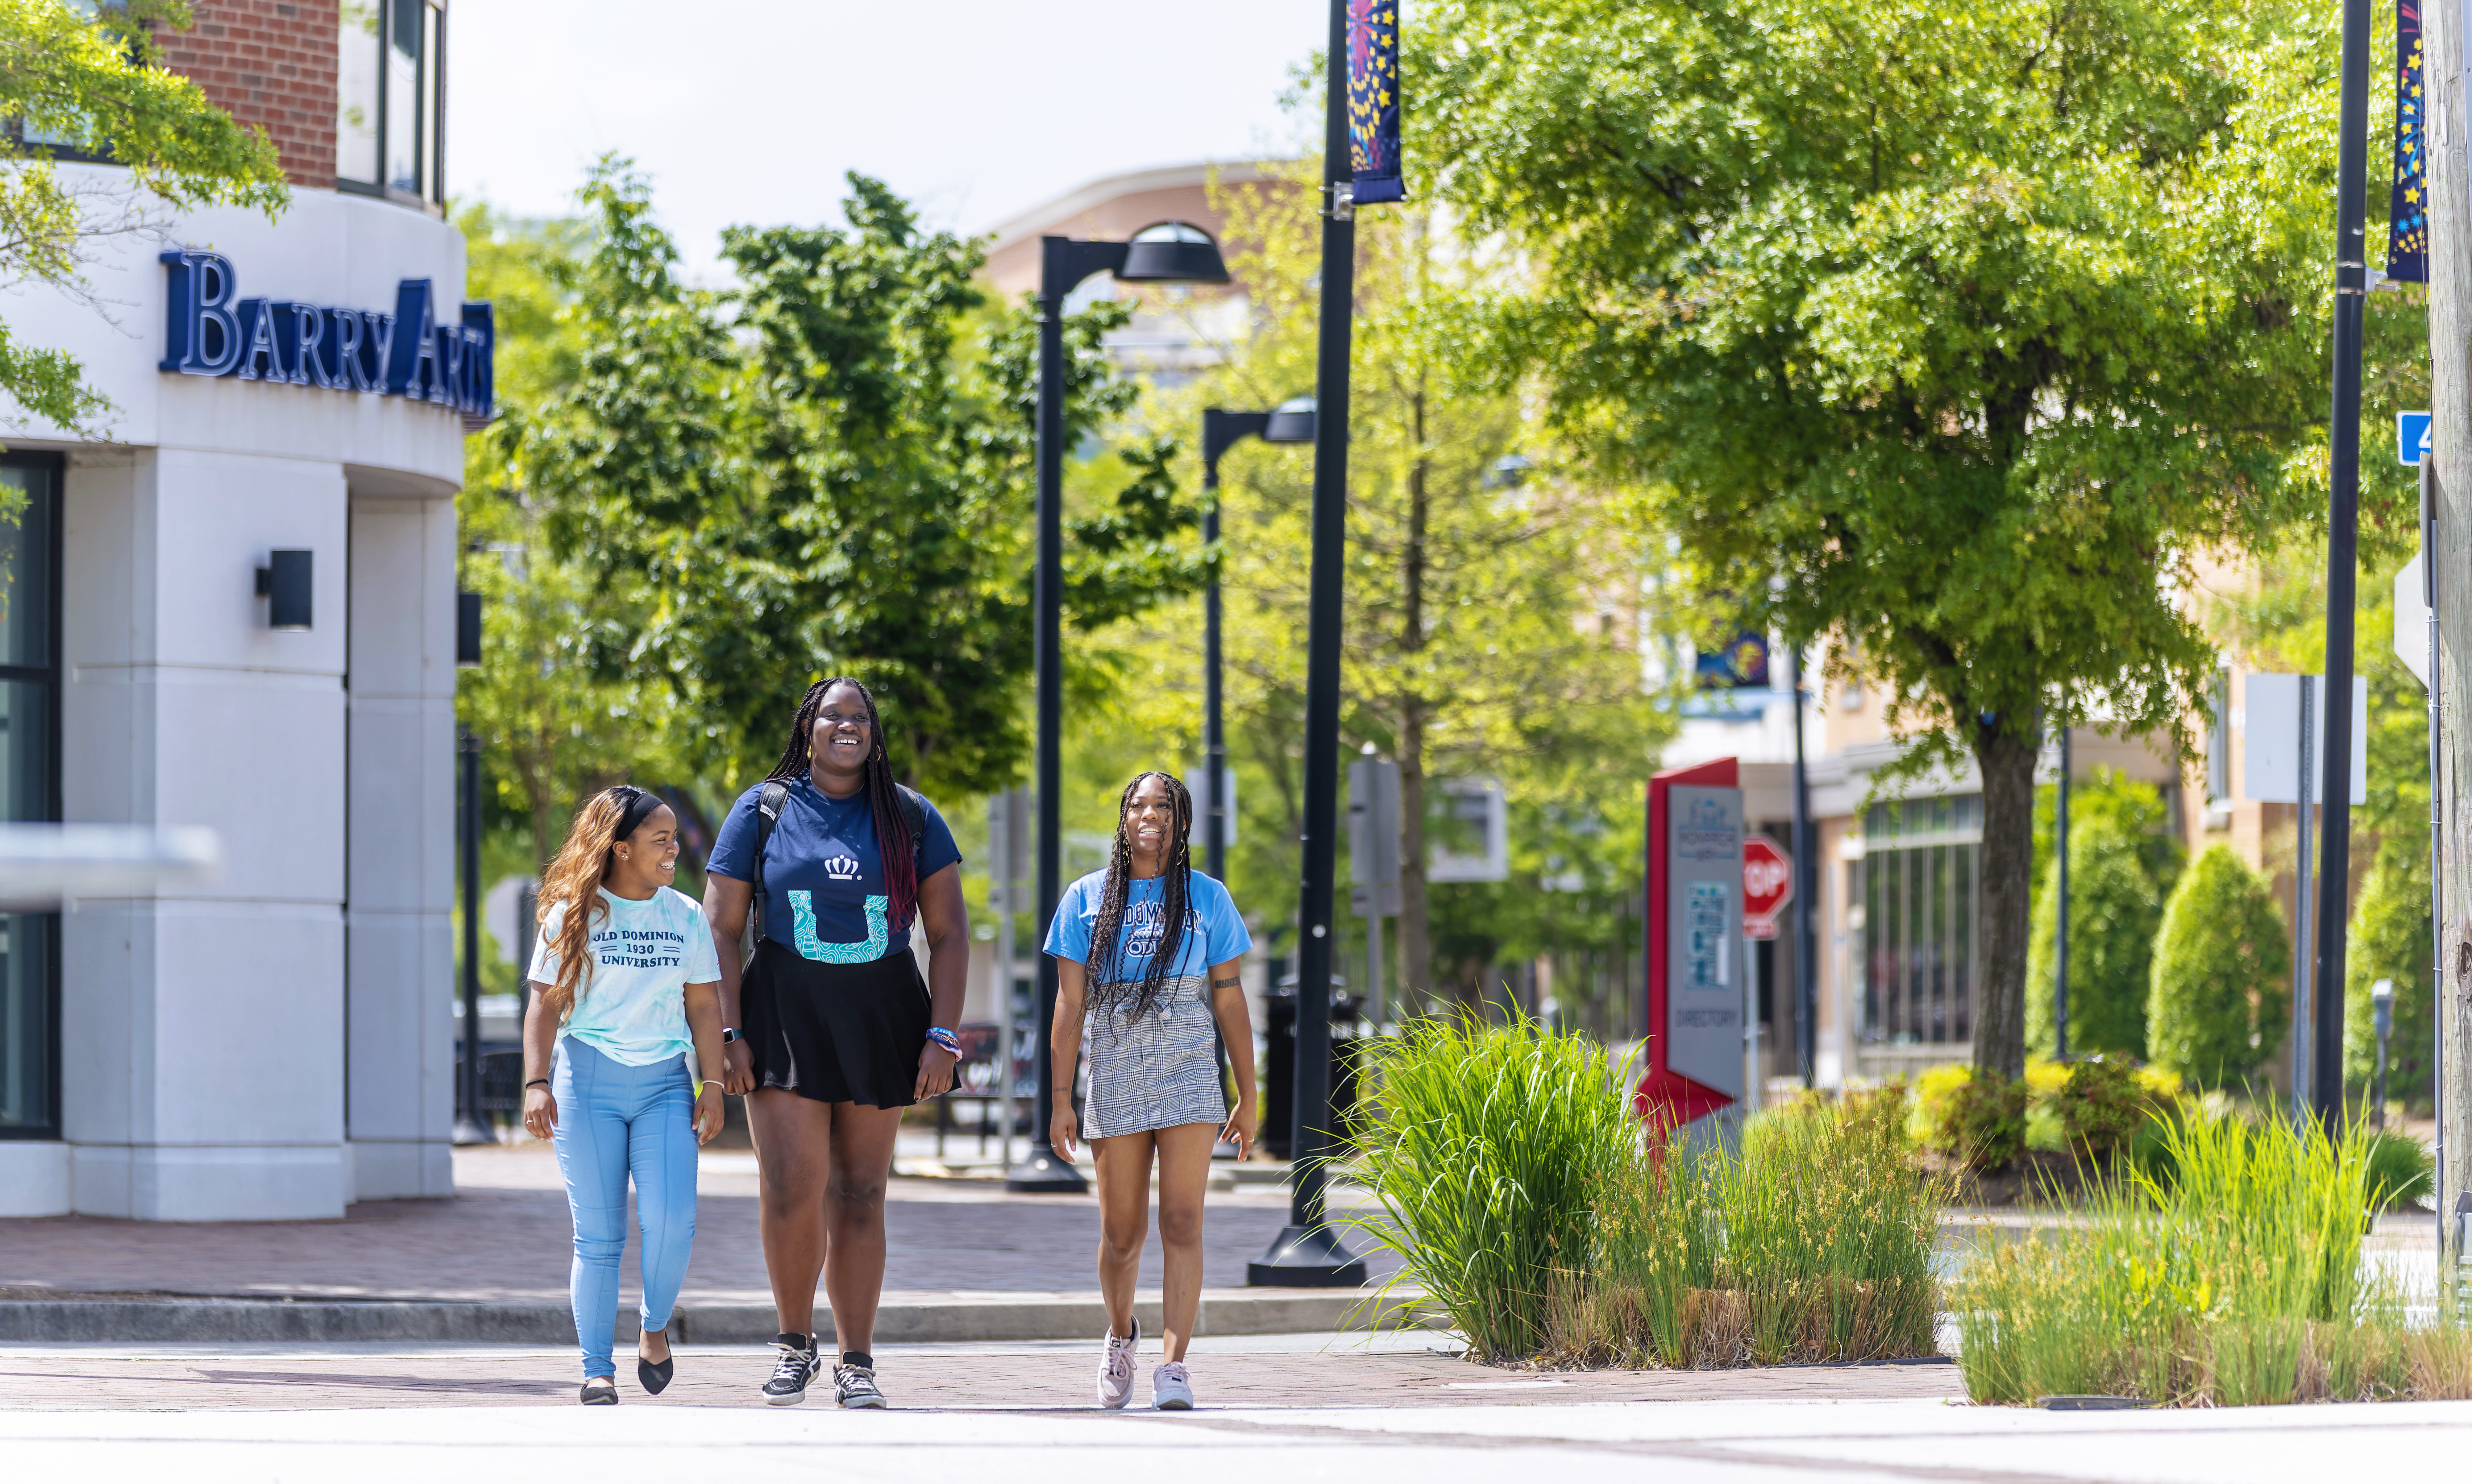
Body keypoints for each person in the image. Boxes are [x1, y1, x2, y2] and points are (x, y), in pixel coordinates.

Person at [704, 677, 967, 1409]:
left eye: (860, 717)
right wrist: (727, 1031)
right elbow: (720, 929)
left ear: (874, 733)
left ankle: (857, 1359)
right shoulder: (763, 809)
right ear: (808, 727)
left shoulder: (911, 816)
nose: (846, 725)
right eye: (833, 715)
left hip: (881, 1012)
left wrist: (942, 1035)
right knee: (790, 1179)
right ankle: (794, 1344)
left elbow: (947, 934)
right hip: (783, 1010)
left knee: (860, 1189)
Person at [1046, 771, 1257, 1411]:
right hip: (1115, 1064)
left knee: (1182, 1219)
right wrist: (1061, 1098)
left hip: (1190, 1062)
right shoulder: (1085, 898)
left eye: (1162, 805)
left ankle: (1174, 1365)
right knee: (1121, 1234)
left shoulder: (1208, 896)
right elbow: (1069, 1001)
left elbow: (1228, 994)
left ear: (1181, 820)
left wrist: (1248, 1091)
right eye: (1137, 804)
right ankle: (1121, 1334)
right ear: (1122, 817)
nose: (1149, 814)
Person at [519, 786, 729, 1407]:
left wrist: (711, 1084)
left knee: (672, 1221)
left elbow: (704, 1003)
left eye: (673, 838)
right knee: (599, 1235)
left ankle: (655, 1326)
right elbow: (544, 1004)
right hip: (586, 1083)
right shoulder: (572, 913)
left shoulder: (686, 915)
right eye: (659, 839)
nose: (673, 847)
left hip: (665, 1082)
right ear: (620, 848)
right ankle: (595, 1367)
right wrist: (535, 1082)